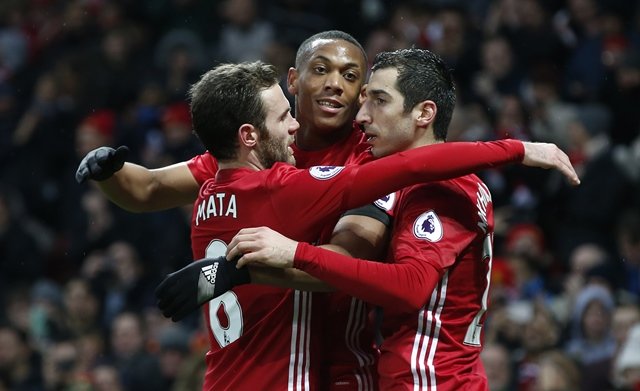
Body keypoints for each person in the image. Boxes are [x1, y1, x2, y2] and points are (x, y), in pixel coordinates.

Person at [77, 32, 578, 389]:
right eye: (321, 70)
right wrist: (111, 172)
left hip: (342, 368)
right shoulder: (266, 156)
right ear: (294, 80)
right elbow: (145, 190)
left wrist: (242, 270)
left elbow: (346, 261)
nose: (336, 83)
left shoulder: (367, 156)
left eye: (351, 76)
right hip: (284, 367)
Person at [223, 48, 578, 390]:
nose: (362, 116)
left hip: (429, 380)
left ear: (424, 114)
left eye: (379, 100)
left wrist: (295, 252)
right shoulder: (433, 181)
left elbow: (410, 286)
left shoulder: (439, 186)